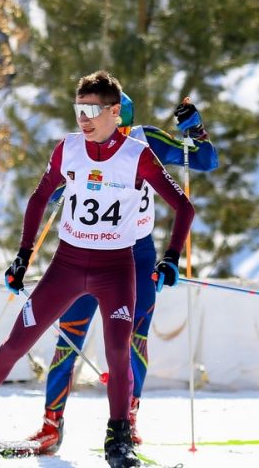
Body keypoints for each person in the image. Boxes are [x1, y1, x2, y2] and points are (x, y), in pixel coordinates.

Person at [0, 71, 194, 468]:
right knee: (17, 342)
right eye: (78, 109)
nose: (84, 118)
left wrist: (170, 257)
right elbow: (39, 197)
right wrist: (23, 256)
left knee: (118, 353)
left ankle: (118, 440)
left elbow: (184, 207)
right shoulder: (69, 149)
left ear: (115, 112)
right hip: (66, 265)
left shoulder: (137, 155)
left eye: (93, 110)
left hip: (117, 269)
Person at [25, 92, 218, 454]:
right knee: (69, 336)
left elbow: (206, 161)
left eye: (124, 128)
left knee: (134, 339)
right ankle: (52, 424)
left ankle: (126, 422)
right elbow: (55, 185)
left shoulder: (146, 142)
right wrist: (59, 190)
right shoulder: (84, 144)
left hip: (137, 254)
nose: (117, 138)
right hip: (88, 250)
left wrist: (196, 128)